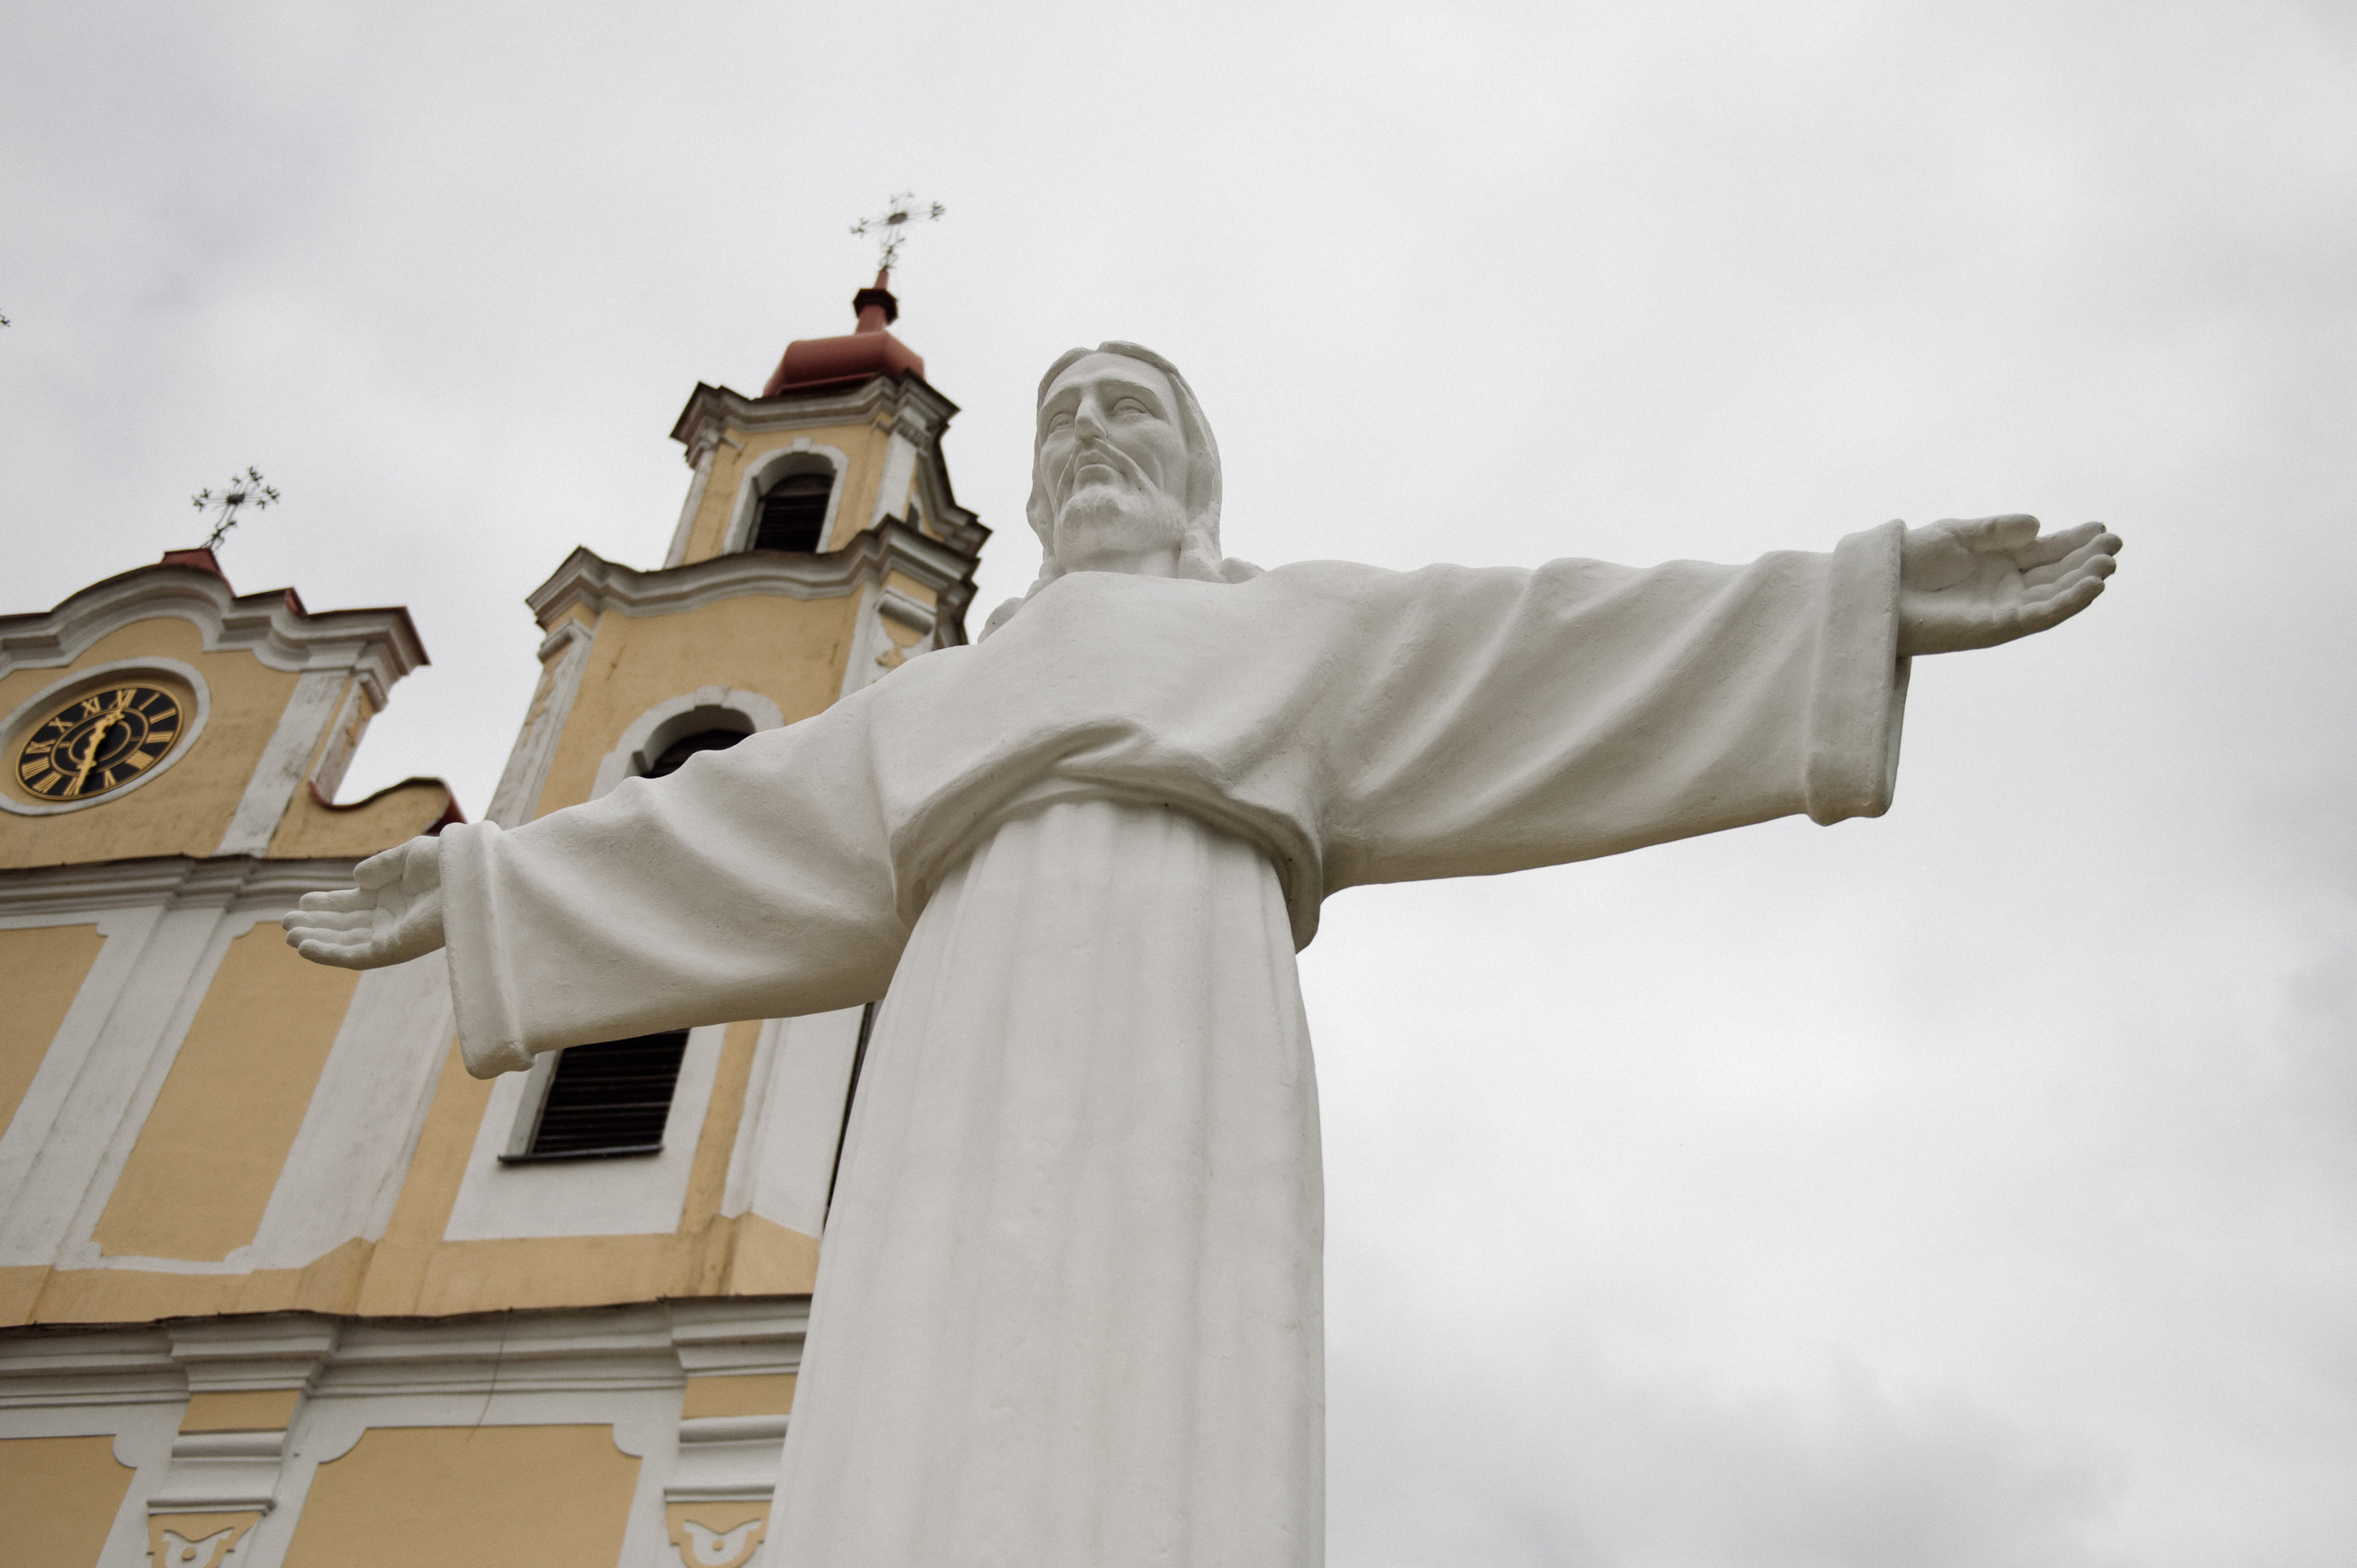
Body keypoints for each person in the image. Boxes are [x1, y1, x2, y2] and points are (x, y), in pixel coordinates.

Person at [286, 341, 2120, 1568]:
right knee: (921, 1349)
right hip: (956, 1048)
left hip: (1188, 1000)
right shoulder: (947, 697)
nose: (1089, 433)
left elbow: (1552, 644)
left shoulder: (1290, 633)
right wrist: (473, 890)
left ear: (1197, 472)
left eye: (1128, 410)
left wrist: (1851, 600)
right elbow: (714, 829)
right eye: (1061, 420)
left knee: (1170, 1362)